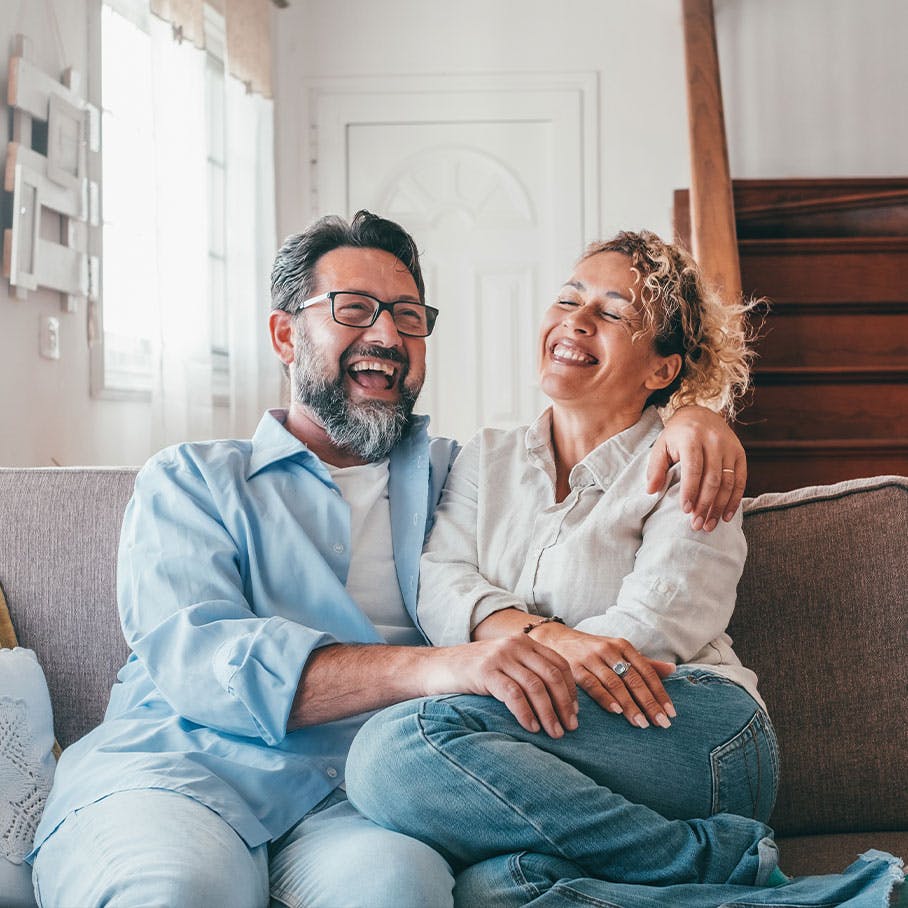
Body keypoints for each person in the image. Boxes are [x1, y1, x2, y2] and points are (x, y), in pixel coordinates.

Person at [29, 213, 753, 908]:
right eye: (353, 309)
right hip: (182, 773)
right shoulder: (189, 480)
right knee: (177, 893)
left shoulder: (455, 473)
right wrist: (443, 666)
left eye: (408, 316)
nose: (386, 333)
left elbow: (607, 440)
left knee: (399, 891)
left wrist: (698, 417)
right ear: (285, 334)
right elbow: (201, 658)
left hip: (356, 797)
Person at [343, 231, 906, 907]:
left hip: (691, 724)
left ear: (662, 370)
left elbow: (645, 636)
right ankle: (821, 897)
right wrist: (546, 639)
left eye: (612, 313)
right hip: (565, 739)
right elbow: (441, 583)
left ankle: (723, 860)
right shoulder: (484, 458)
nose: (576, 320)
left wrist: (508, 650)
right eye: (569, 299)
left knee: (396, 749)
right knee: (497, 889)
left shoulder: (690, 464)